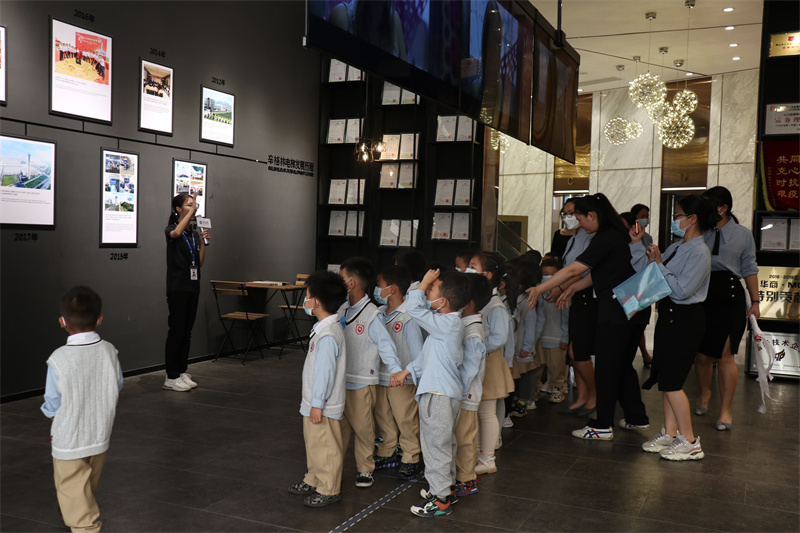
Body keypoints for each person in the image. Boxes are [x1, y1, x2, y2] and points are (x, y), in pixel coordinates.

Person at [528, 193, 651, 440]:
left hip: (617, 310)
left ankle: (603, 424)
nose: (580, 225)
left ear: (592, 215)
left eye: (580, 219)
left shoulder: (606, 237)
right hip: (633, 309)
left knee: (607, 367)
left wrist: (541, 288)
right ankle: (637, 417)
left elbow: (576, 268)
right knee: (623, 365)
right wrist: (572, 287)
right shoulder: (615, 235)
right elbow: (603, 272)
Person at [630, 195, 717, 460]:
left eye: (678, 215)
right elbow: (647, 274)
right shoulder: (678, 247)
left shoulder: (700, 252)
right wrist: (641, 249)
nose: (674, 220)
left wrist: (658, 264)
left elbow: (681, 290)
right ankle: (670, 433)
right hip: (669, 316)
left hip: (686, 318)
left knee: (672, 382)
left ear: (693, 219)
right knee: (666, 378)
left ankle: (690, 441)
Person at [41, 286, 123, 533]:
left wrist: (51, 413)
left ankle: (84, 525)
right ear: (99, 319)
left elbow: (52, 399)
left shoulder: (58, 358)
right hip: (100, 435)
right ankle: (74, 509)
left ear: (62, 322)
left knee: (72, 484)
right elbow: (117, 384)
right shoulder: (110, 351)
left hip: (69, 439)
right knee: (87, 483)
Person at [390, 269, 470, 517]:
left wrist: (421, 283)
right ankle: (444, 489)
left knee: (436, 446)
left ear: (443, 301)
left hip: (439, 394)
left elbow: (413, 309)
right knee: (444, 443)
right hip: (442, 393)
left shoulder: (448, 323)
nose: (427, 293)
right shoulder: (445, 327)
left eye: (432, 290)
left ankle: (441, 500)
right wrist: (407, 371)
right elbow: (428, 355)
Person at [694, 186, 759, 431]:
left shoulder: (743, 234)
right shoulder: (700, 230)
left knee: (725, 356)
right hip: (702, 292)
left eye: (709, 205)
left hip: (730, 295)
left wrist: (755, 302)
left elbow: (750, 269)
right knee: (701, 355)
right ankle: (703, 394)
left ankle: (726, 409)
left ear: (723, 208)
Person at [338, 257, 402, 488]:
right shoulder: (343, 308)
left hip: (362, 381)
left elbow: (386, 345)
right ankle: (333, 469)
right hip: (340, 381)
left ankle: (365, 469)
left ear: (352, 283)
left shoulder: (372, 314)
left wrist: (396, 371)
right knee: (339, 430)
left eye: (342, 278)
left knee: (364, 429)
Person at [288, 271, 348, 507]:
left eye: (307, 295)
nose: (305, 299)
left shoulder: (328, 335)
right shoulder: (323, 329)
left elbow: (325, 374)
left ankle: (329, 488)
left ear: (318, 302)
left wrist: (317, 404)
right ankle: (313, 478)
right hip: (313, 403)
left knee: (326, 447)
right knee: (314, 444)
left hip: (322, 404)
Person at [546, 198, 597, 416]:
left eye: (573, 214)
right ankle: (583, 396)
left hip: (587, 295)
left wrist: (558, 286)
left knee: (579, 351)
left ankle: (593, 395)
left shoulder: (593, 237)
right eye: (566, 213)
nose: (570, 218)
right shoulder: (574, 236)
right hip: (574, 294)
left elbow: (580, 271)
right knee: (576, 352)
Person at [374, 265, 424, 479]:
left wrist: (408, 374)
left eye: (380, 286)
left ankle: (411, 456)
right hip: (382, 376)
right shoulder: (379, 313)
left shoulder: (408, 317)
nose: (376, 289)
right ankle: (388, 451)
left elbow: (418, 353)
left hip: (403, 379)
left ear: (392, 289)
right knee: (383, 416)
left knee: (405, 418)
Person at [468, 252, 513, 473]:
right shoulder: (481, 300)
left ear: (486, 274)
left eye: (472, 266)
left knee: (486, 412)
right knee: (478, 412)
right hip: (480, 361)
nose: (467, 270)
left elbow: (500, 337)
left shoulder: (494, 305)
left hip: (489, 362)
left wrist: (479, 348)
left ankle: (487, 459)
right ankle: (480, 452)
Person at [164, 193, 209, 392]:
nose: (195, 208)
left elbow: (198, 263)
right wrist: (190, 214)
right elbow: (175, 234)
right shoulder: (172, 229)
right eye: (189, 205)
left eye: (195, 205)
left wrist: (202, 243)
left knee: (187, 333)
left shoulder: (191, 233)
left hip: (193, 287)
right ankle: (171, 376)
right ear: (177, 209)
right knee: (176, 332)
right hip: (178, 288)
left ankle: (182, 371)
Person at [453, 273, 491, 497]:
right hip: (461, 394)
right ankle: (460, 473)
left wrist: (457, 390)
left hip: (466, 395)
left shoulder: (473, 331)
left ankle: (467, 478)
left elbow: (469, 368)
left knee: (465, 438)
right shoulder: (464, 323)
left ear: (468, 302)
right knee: (459, 436)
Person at [534, 258, 570, 404]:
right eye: (545, 273)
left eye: (553, 274)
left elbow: (566, 317)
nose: (548, 276)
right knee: (537, 366)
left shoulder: (564, 292)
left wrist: (565, 338)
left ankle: (557, 388)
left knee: (557, 367)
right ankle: (535, 390)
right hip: (539, 337)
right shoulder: (537, 290)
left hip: (556, 337)